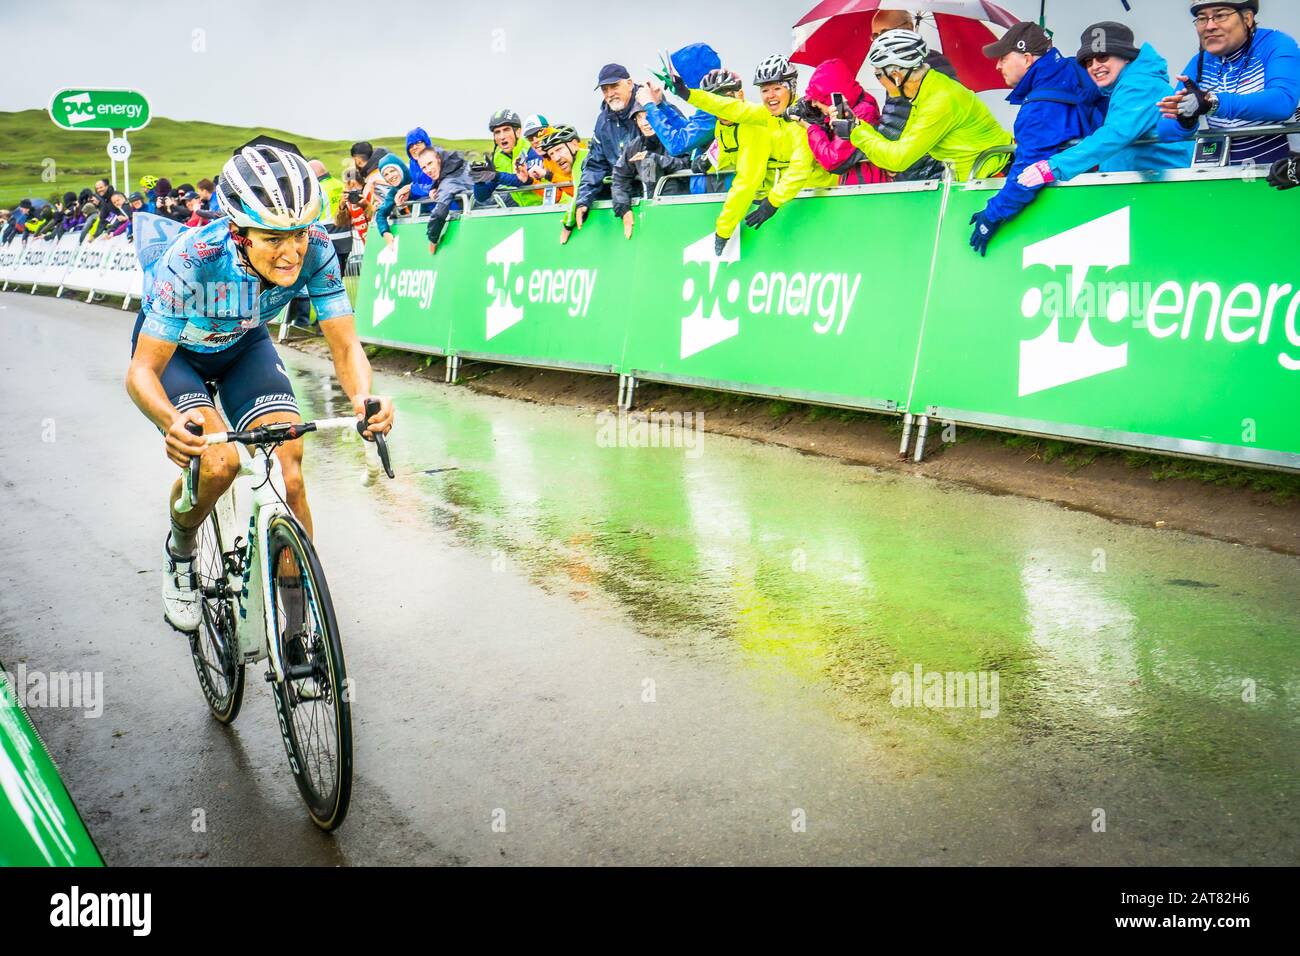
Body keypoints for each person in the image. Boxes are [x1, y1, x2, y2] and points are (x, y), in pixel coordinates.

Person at [126, 144, 394, 634]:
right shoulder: (193, 259)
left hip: (245, 346)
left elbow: (346, 346)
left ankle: (297, 625)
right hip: (178, 355)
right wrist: (170, 422)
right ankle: (181, 551)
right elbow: (142, 371)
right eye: (272, 238)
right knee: (220, 462)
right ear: (238, 232)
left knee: (290, 473)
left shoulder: (314, 249)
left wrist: (363, 398)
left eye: (297, 234)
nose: (291, 252)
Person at [673, 53, 838, 253]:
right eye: (765, 90)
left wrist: (773, 201)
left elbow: (800, 168)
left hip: (818, 197)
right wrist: (688, 94)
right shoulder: (764, 115)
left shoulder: (803, 120)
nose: (770, 96)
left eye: (777, 88)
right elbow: (728, 107)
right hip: (789, 199)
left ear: (792, 87)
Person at [968, 22, 1107, 255]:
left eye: (1003, 57)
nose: (997, 65)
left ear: (1027, 58)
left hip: (1076, 208)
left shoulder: (1040, 108)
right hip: (1107, 186)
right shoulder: (1074, 68)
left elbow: (1029, 172)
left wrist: (991, 215)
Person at [1018, 23, 1195, 190]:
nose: (1095, 66)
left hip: (1163, 190)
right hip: (1139, 189)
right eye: (1088, 61)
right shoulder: (1118, 88)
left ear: (1125, 57)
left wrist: (1054, 166)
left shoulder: (1140, 85)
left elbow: (1115, 134)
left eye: (1103, 57)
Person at [842, 31, 1013, 183]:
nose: (878, 81)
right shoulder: (927, 90)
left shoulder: (939, 100)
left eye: (878, 75)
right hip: (979, 176)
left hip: (992, 178)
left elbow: (897, 159)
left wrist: (855, 132)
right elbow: (899, 150)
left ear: (896, 76)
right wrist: (857, 125)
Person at [1156, 1, 1300, 167]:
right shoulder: (1200, 62)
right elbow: (1165, 131)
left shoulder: (1276, 44)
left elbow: (1282, 103)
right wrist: (1185, 119)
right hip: (1221, 179)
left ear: (1247, 18)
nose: (1209, 26)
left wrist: (1212, 103)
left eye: (1220, 15)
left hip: (1280, 175)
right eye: (1202, 18)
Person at [637, 43, 723, 193]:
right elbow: (688, 130)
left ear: (693, 76)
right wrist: (661, 105)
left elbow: (677, 144)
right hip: (706, 191)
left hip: (717, 192)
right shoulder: (707, 107)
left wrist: (650, 106)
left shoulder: (714, 109)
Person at [573, 64, 643, 233]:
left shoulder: (650, 106)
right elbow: (595, 164)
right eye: (605, 89)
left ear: (630, 83)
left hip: (654, 196)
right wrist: (583, 201)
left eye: (615, 86)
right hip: (621, 198)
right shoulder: (603, 121)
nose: (610, 94)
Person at [798, 58, 888, 186]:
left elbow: (833, 161)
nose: (813, 103)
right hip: (859, 184)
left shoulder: (861, 112)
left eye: (817, 98)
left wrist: (811, 128)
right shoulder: (855, 106)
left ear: (832, 96)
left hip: (864, 189)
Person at [610, 103, 691, 237]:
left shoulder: (677, 138)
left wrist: (655, 159)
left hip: (680, 209)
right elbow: (619, 177)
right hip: (652, 212)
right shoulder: (635, 146)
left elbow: (687, 164)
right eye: (640, 118)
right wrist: (624, 209)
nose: (645, 123)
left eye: (649, 117)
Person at [471, 110, 543, 207]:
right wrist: (479, 180)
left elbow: (524, 180)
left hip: (554, 207)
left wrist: (496, 176)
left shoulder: (531, 149)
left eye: (506, 130)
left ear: (518, 132)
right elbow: (482, 197)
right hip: (526, 211)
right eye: (497, 132)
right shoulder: (498, 158)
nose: (502, 136)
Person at [409, 146, 473, 255]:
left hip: (495, 208)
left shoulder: (448, 182)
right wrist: (435, 186)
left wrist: (433, 240)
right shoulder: (458, 164)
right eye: (423, 167)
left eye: (430, 163)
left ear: (439, 159)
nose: (428, 170)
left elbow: (439, 213)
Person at [538, 126, 589, 244]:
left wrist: (567, 226)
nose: (556, 158)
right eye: (551, 154)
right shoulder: (584, 156)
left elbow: (578, 197)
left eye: (559, 149)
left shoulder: (582, 161)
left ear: (574, 145)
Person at [372, 153, 413, 242]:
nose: (390, 176)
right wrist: (385, 232)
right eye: (386, 174)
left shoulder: (416, 179)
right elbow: (381, 213)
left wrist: (411, 189)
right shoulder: (393, 192)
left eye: (392, 171)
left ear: (401, 168)